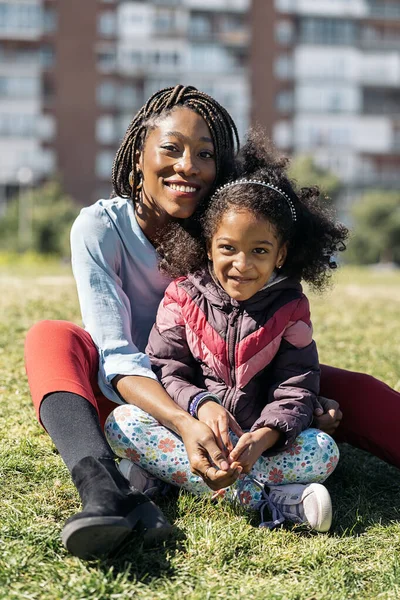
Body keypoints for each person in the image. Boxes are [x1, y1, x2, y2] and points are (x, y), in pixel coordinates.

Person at [24, 85, 400, 559]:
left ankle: (170, 483)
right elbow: (117, 354)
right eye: (171, 149)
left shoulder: (226, 224)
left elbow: (278, 336)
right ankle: (104, 490)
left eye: (205, 154)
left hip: (241, 390)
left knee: (351, 389)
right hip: (142, 399)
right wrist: (186, 419)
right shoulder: (101, 227)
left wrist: (297, 404)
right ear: (138, 154)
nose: (187, 166)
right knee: (51, 337)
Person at [104, 130, 347, 532]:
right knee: (123, 423)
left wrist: (265, 437)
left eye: (260, 251)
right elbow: (166, 369)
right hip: (191, 433)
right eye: (228, 248)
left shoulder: (291, 308)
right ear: (209, 244)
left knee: (323, 450)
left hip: (260, 445)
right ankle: (272, 499)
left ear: (281, 254)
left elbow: (297, 386)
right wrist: (201, 406)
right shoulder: (182, 296)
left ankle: (166, 481)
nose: (242, 264)